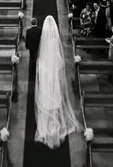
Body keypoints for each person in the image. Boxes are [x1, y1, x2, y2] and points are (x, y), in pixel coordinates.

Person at [35, 16, 83, 149]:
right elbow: (60, 62)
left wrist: (41, 69)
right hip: (53, 70)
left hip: (46, 69)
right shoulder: (55, 42)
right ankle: (55, 116)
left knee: (46, 87)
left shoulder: (44, 42)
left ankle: (47, 116)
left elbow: (42, 59)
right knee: (54, 88)